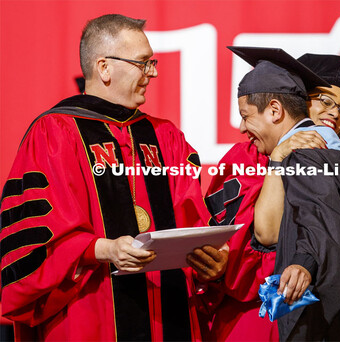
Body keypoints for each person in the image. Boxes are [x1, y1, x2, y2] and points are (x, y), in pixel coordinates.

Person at [0, 14, 219, 341]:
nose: (153, 73)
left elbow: (191, 214)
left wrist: (209, 256)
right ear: (104, 67)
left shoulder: (166, 136)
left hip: (166, 313)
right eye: (143, 63)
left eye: (153, 63)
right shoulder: (55, 132)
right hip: (89, 310)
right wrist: (101, 249)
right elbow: (34, 237)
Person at [205, 47, 340, 341]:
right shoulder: (248, 155)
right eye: (324, 100)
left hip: (338, 308)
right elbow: (247, 238)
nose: (333, 112)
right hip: (261, 307)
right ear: (295, 99)